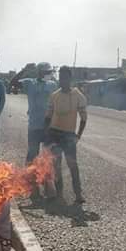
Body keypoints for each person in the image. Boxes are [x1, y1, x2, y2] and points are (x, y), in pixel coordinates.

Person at [44, 66, 87, 204]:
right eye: (61, 77)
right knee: (56, 165)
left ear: (70, 78)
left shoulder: (78, 96)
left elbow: (83, 118)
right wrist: (45, 134)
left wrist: (78, 136)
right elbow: (48, 116)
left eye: (65, 77)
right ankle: (59, 194)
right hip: (54, 134)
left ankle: (78, 194)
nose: (63, 80)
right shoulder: (54, 96)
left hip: (69, 136)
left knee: (72, 165)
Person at [11, 62, 58, 165]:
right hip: (34, 126)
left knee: (48, 156)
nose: (48, 74)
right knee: (32, 154)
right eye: (46, 72)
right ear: (39, 72)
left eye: (49, 72)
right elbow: (13, 82)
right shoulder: (29, 83)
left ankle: (46, 178)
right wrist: (24, 70)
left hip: (48, 126)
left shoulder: (53, 85)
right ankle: (28, 177)